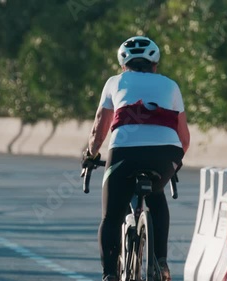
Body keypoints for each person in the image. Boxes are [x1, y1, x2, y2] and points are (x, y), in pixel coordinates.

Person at [82, 36, 190, 281]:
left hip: (125, 152)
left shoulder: (114, 82)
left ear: (123, 65)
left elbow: (100, 127)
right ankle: (161, 263)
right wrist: (174, 163)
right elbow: (184, 137)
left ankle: (109, 274)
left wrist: (91, 155)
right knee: (156, 193)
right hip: (167, 153)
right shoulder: (171, 85)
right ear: (155, 65)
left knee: (111, 217)